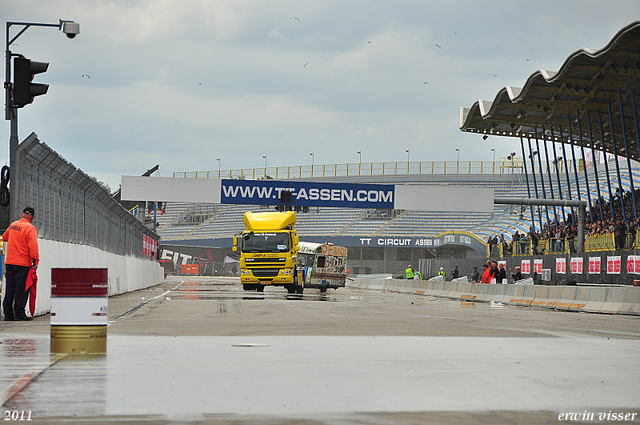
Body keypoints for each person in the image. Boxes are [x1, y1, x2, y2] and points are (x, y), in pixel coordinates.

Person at [2, 207, 39, 321]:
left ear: (22, 214)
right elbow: (33, 247)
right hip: (22, 263)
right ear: (31, 216)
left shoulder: (13, 225)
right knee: (22, 288)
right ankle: (19, 313)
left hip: (10, 262)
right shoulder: (30, 228)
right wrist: (35, 261)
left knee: (10, 288)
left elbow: (4, 237)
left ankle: (8, 314)